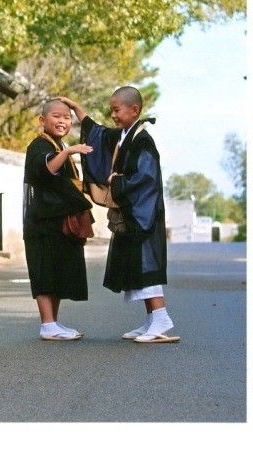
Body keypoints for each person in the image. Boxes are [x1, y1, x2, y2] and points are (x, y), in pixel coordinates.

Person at [59, 89, 180, 343]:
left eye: (117, 110)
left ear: (134, 110)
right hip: (133, 212)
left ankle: (161, 317)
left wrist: (118, 182)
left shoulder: (143, 140)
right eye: (111, 110)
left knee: (146, 265)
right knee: (136, 265)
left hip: (142, 214)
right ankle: (151, 320)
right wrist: (76, 107)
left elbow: (146, 178)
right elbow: (97, 132)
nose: (113, 115)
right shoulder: (125, 136)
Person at [22, 99, 94, 341]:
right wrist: (67, 151)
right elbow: (47, 170)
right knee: (44, 272)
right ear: (43, 120)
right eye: (56, 116)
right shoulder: (39, 146)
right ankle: (47, 324)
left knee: (57, 272)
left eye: (67, 117)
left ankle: (54, 322)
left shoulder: (58, 145)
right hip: (42, 221)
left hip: (57, 221)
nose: (63, 121)